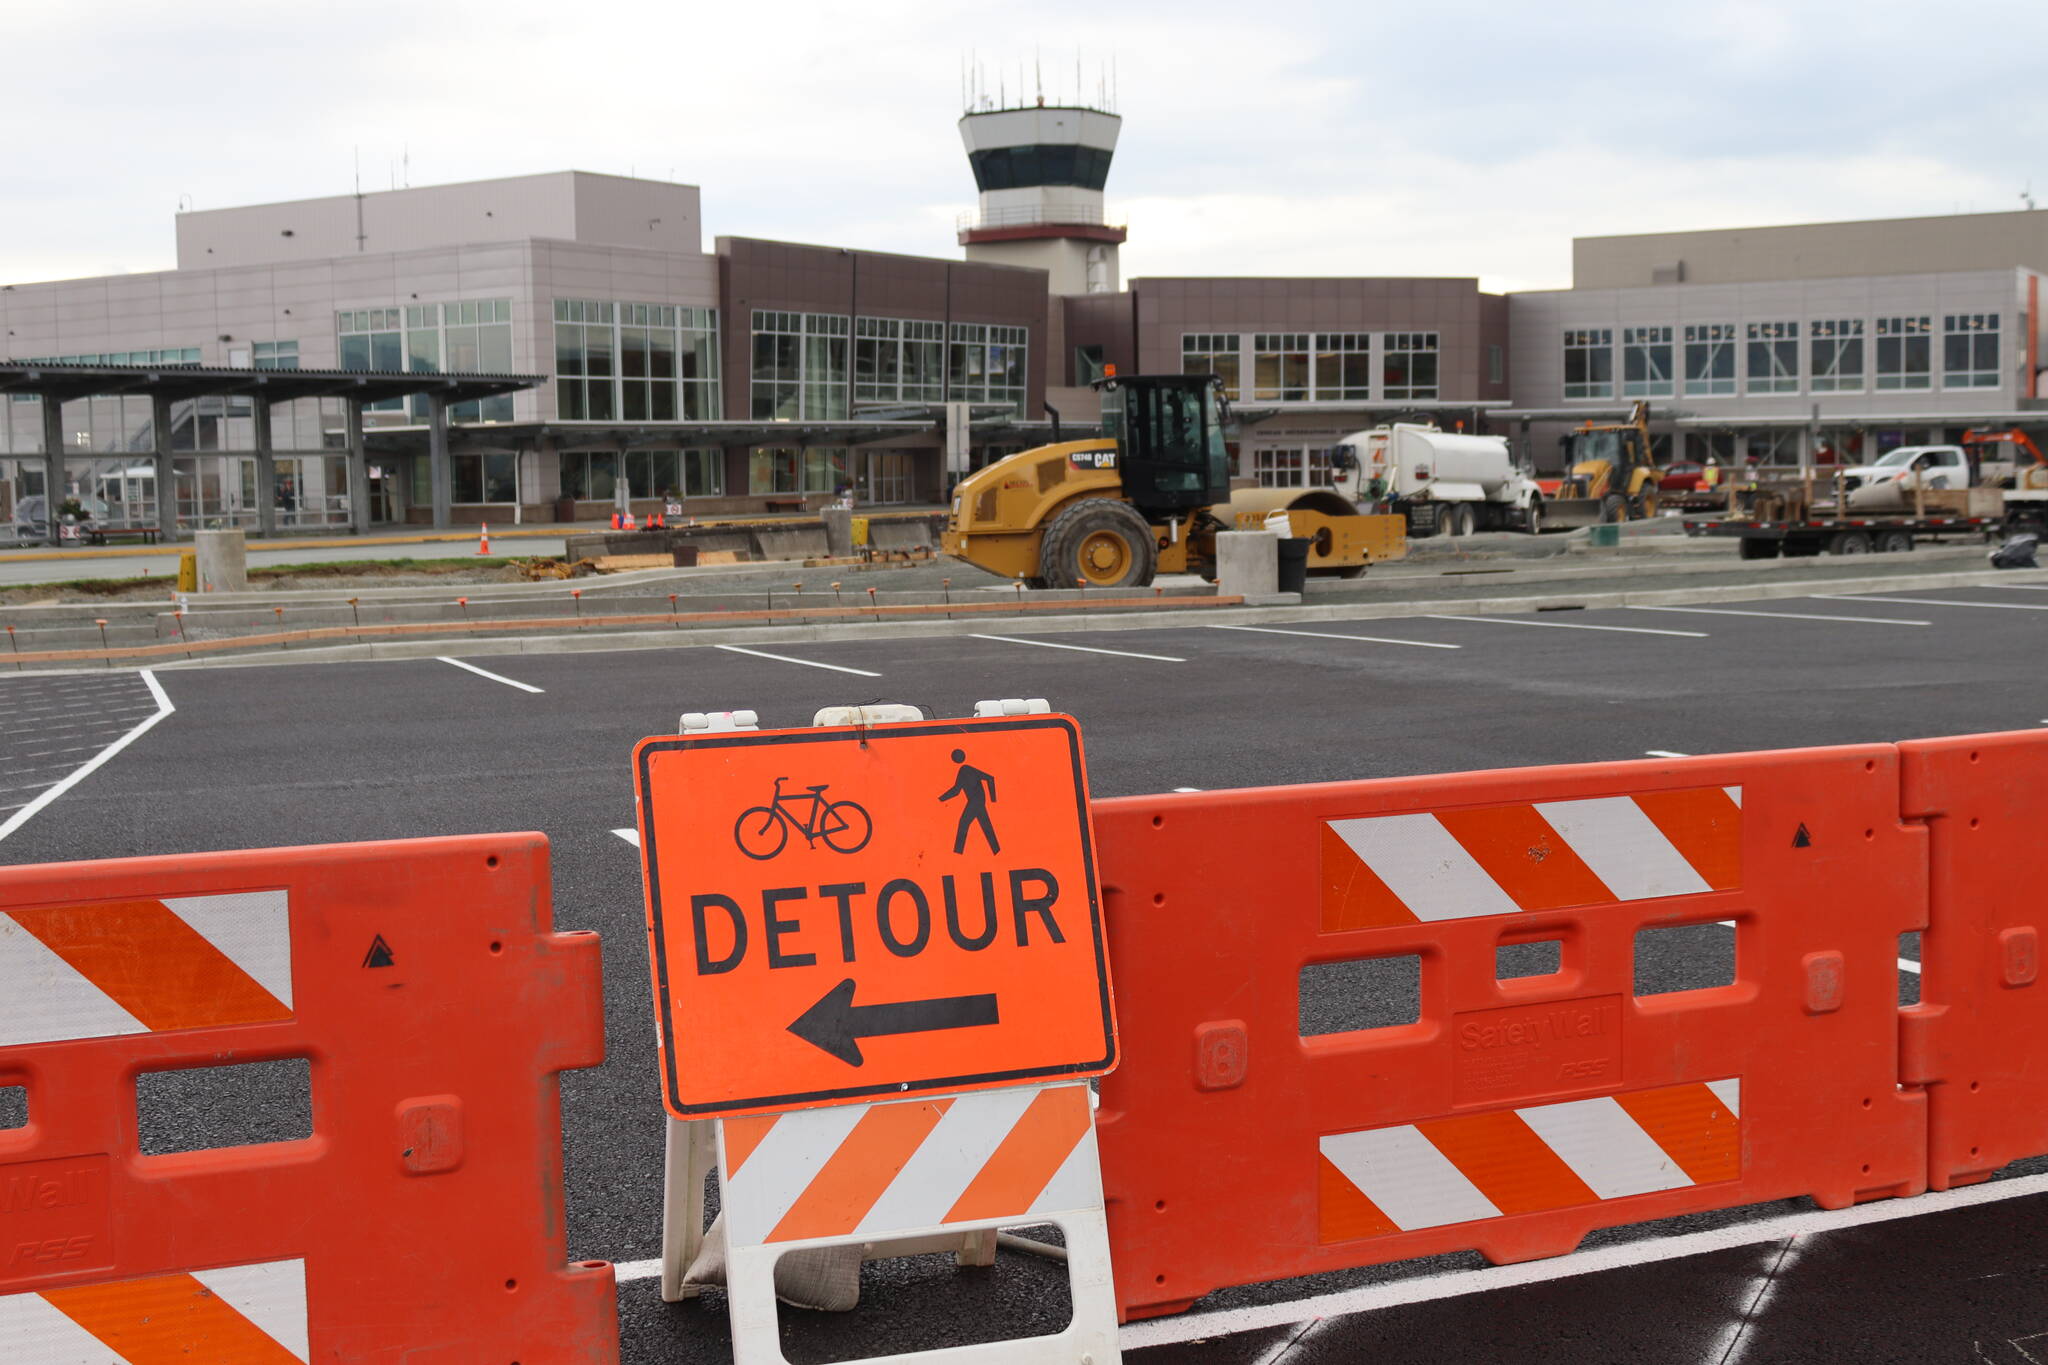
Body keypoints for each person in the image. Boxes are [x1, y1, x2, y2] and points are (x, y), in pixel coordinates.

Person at [939, 749, 999, 855]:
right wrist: (941, 799)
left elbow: (990, 778)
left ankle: (958, 852)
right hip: (977, 801)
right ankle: (996, 850)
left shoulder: (965, 769)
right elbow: (956, 791)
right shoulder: (964, 770)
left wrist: (993, 799)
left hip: (975, 801)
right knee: (985, 825)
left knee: (963, 823)